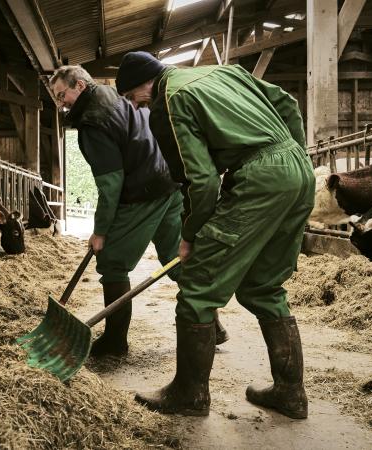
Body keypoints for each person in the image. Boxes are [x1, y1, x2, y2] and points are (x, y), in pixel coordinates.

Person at [115, 51, 314, 419]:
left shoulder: (168, 101)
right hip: (298, 170)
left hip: (259, 179)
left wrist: (191, 233)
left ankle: (189, 395)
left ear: (145, 82)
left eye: (132, 97)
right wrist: (293, 155)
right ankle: (290, 392)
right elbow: (288, 104)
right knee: (264, 286)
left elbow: (200, 182)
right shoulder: (227, 73)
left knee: (196, 288)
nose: (136, 105)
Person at [50, 65, 229, 358]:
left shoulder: (93, 120)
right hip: (169, 183)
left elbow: (110, 184)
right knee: (176, 257)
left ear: (80, 86)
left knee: (111, 262)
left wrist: (101, 231)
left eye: (62, 95)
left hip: (144, 190)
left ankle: (114, 341)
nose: (61, 103)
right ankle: (211, 326)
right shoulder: (113, 96)